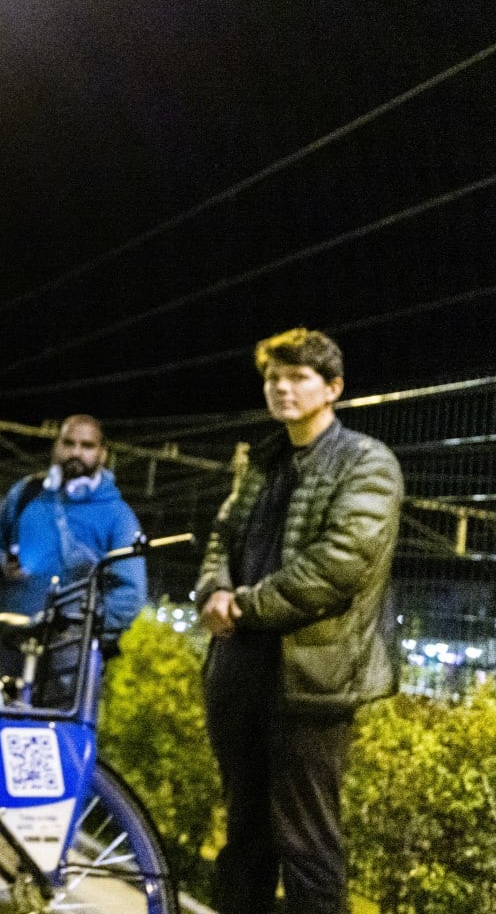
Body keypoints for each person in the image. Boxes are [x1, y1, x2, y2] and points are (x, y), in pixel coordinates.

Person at [196, 329, 401, 914]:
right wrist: (213, 587)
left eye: (298, 378)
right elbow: (221, 536)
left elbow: (341, 563)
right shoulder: (261, 462)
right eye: (272, 379)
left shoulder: (367, 462)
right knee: (244, 837)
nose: (281, 389)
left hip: (312, 684)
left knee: (307, 844)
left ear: (333, 388)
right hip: (238, 671)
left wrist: (245, 604)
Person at [0, 414, 145, 684]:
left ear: (102, 455)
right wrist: (0, 564)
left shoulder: (118, 516)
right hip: (13, 647)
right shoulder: (26, 493)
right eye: (68, 443)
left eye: (87, 445)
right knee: (6, 723)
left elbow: (131, 592)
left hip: (73, 661)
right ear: (56, 446)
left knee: (59, 726)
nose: (76, 452)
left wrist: (84, 632)